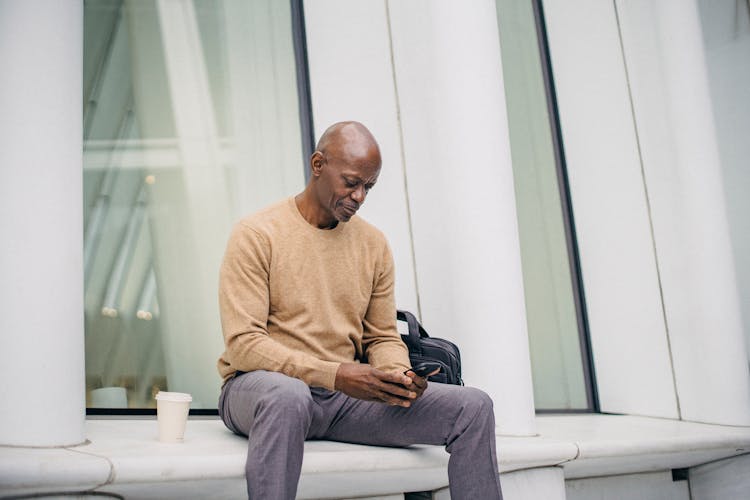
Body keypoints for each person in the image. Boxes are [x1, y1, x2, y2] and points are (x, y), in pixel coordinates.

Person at [217, 121, 503, 500]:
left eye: (368, 187)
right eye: (351, 182)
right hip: (259, 391)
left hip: (342, 400)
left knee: (474, 407)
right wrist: (335, 374)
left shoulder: (374, 244)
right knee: (288, 396)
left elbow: (382, 335)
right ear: (318, 165)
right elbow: (244, 344)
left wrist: (398, 376)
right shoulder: (257, 233)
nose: (359, 196)